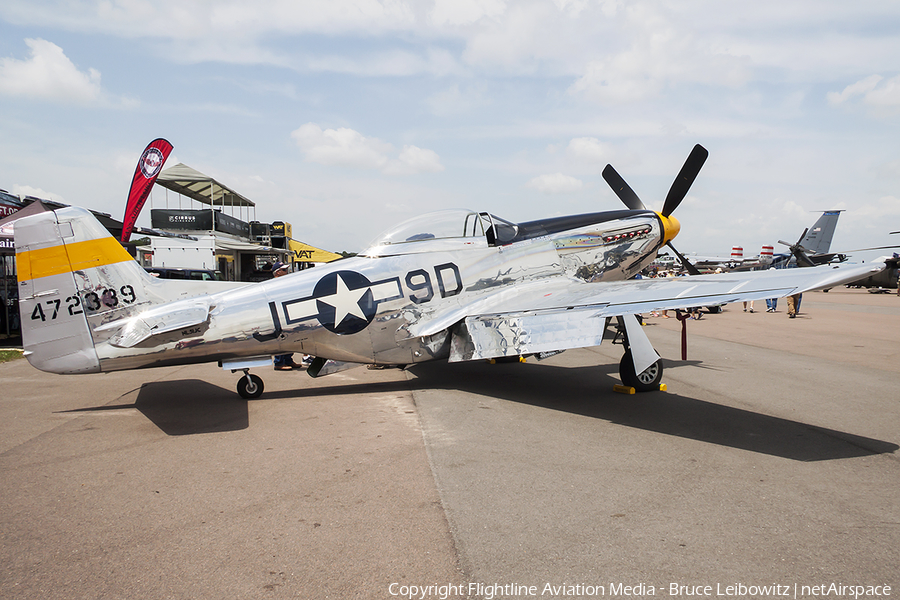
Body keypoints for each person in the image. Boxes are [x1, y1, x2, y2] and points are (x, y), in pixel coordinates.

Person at [271, 262, 300, 370]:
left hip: (288, 313)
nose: (286, 272)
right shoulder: (274, 284)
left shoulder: (284, 283)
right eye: (284, 270)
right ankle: (279, 362)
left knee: (291, 337)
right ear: (277, 272)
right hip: (279, 315)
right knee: (282, 338)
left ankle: (288, 359)